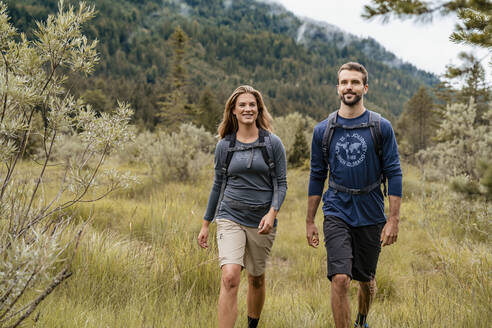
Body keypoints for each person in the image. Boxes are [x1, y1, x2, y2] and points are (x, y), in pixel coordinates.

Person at [305, 62, 402, 328]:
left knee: (366, 280)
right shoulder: (323, 131)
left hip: (371, 211)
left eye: (355, 82)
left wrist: (393, 220)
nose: (349, 86)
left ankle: (361, 320)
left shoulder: (380, 127)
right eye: (344, 82)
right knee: (340, 278)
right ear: (337, 88)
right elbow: (316, 176)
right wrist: (310, 221)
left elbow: (394, 173)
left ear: (365, 88)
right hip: (337, 209)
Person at [198, 85, 287, 328]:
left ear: (258, 110)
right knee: (229, 277)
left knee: (256, 279)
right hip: (230, 215)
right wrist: (206, 224)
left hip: (261, 222)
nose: (248, 109)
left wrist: (272, 213)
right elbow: (217, 185)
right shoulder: (224, 146)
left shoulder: (272, 144)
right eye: (242, 105)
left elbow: (281, 184)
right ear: (233, 112)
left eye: (252, 105)